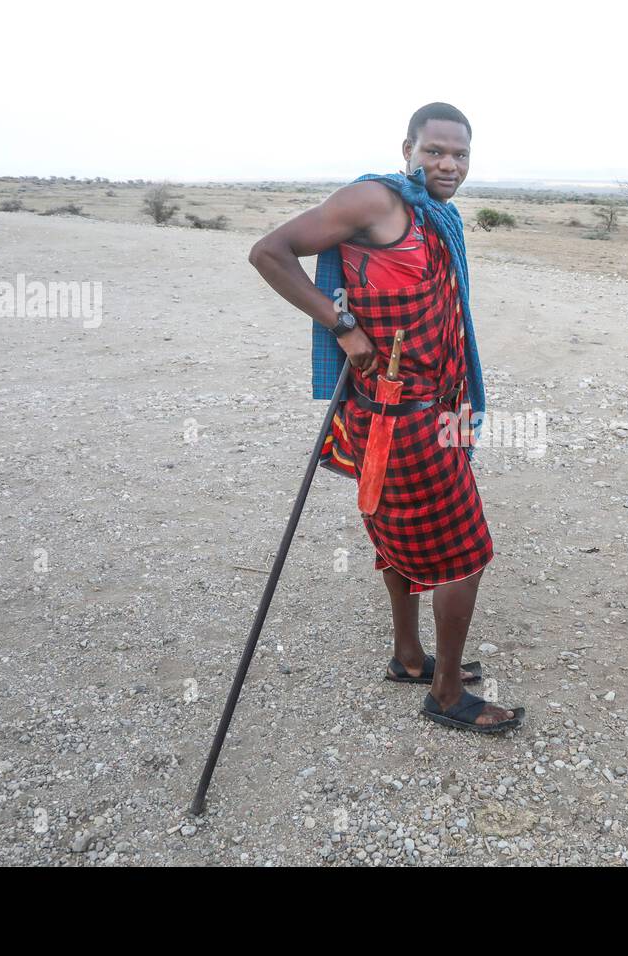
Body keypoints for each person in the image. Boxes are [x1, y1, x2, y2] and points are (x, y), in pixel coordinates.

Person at [248, 102, 523, 733]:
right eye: (435, 151)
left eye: (460, 154)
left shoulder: (436, 217)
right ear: (408, 149)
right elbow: (270, 252)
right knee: (466, 553)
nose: (448, 164)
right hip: (403, 414)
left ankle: (407, 658)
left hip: (426, 404)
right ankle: (447, 694)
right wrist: (342, 325)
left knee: (397, 534)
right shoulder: (374, 201)